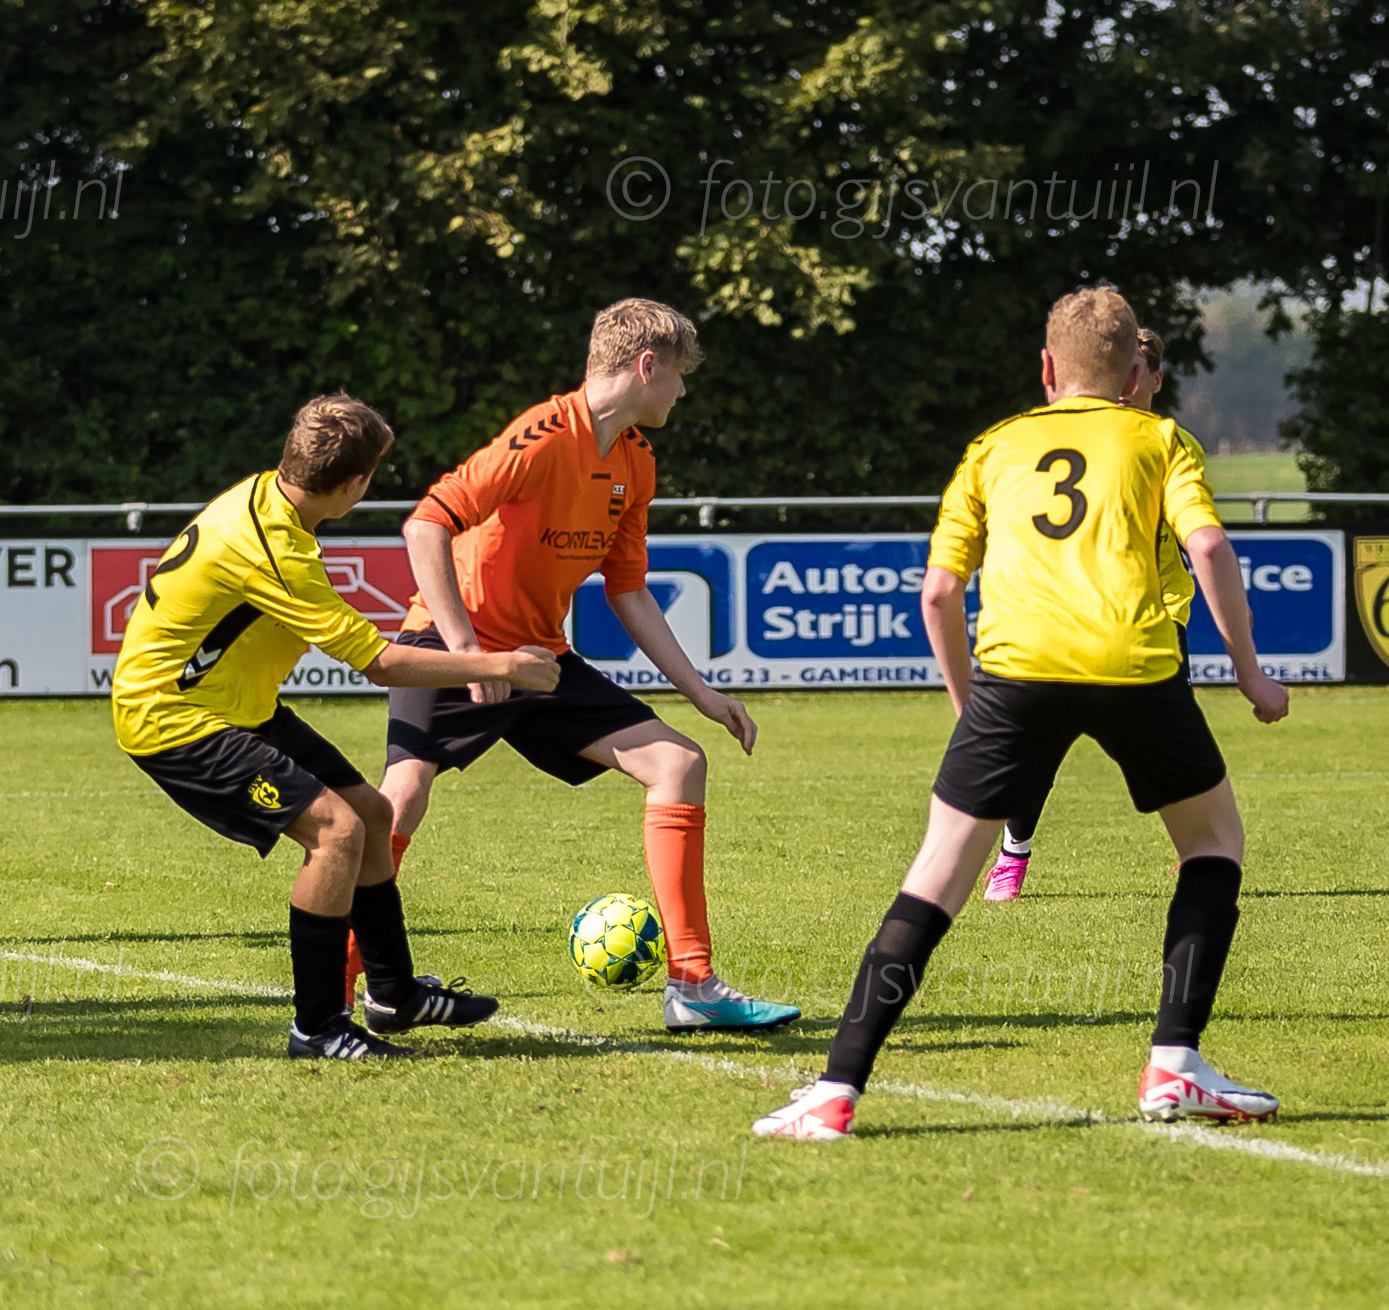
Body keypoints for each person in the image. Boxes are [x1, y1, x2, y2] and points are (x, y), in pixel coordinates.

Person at [754, 287, 1290, 1140]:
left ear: (1046, 368)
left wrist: (969, 708)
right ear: (1134, 375)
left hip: (1016, 673)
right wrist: (1251, 674)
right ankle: (1174, 1062)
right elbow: (1211, 546)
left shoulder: (993, 447)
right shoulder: (1161, 439)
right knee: (1213, 843)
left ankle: (834, 1089)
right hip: (1136, 665)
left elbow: (939, 593)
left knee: (937, 872)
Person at [376, 298, 798, 1033]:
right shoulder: (541, 435)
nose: (683, 392)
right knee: (402, 796)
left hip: (540, 658)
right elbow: (425, 525)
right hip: (451, 639)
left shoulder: (636, 461)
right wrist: (470, 652)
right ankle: (354, 981)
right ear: (647, 366)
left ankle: (693, 986)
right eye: (680, 376)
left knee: (678, 763)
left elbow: (628, 591)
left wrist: (702, 693)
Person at [112, 394, 561, 1060]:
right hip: (174, 719)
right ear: (355, 483)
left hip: (233, 706)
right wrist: (500, 664)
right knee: (336, 832)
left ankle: (395, 993)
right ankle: (317, 1026)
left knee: (373, 815)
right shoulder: (274, 548)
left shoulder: (266, 499)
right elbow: (378, 663)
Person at [982, 327, 1199, 901]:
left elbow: (1196, 536)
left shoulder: (1172, 444)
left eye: (1138, 371)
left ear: (1153, 380)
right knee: (1041, 747)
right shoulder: (1068, 442)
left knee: (1169, 745)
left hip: (1157, 616)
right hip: (1070, 616)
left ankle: (1198, 852)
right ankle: (1014, 852)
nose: (1126, 384)